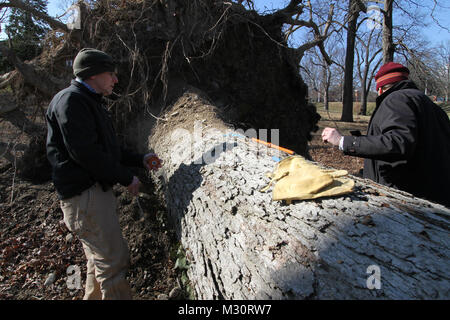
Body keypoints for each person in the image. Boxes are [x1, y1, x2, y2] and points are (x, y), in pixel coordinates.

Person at [46, 48, 162, 299]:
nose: (116, 80)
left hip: (88, 196)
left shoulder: (87, 100)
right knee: (112, 260)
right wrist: (125, 177)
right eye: (111, 74)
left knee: (98, 262)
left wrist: (139, 160)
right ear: (92, 75)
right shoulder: (72, 101)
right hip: (85, 197)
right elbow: (86, 153)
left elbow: (108, 149)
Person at [321, 62, 450, 207]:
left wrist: (342, 141)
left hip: (412, 202)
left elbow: (397, 143)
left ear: (381, 89)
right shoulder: (431, 106)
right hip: (439, 197)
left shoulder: (397, 99)